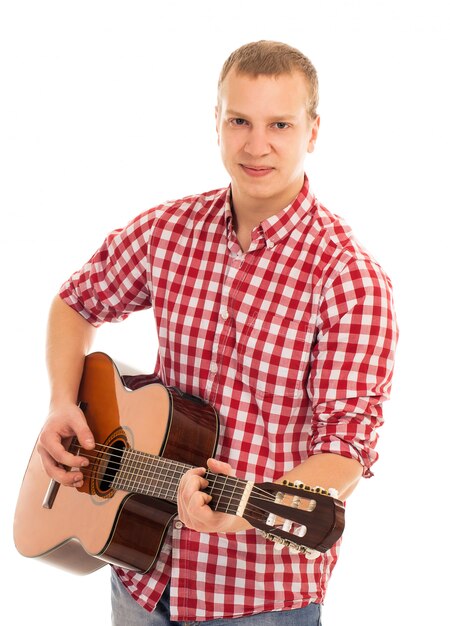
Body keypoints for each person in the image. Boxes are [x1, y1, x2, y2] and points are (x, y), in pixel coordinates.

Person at [36, 40, 398, 625]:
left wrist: (243, 510)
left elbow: (345, 450)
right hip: (140, 573)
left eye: (280, 123)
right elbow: (74, 304)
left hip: (258, 599)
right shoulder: (169, 230)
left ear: (313, 130)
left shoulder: (350, 280)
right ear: (217, 122)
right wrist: (60, 403)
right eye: (240, 121)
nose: (257, 146)